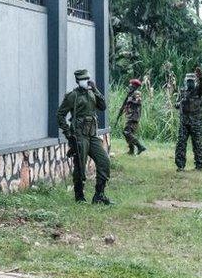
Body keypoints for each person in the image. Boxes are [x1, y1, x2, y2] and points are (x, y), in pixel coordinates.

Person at [57, 68, 112, 204]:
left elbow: (103, 106)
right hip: (79, 135)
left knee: (104, 161)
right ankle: (79, 197)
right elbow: (60, 115)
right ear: (77, 81)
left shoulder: (92, 92)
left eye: (87, 79)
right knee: (80, 167)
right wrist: (68, 133)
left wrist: (95, 90)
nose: (85, 81)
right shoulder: (72, 96)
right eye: (82, 79)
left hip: (92, 135)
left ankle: (99, 195)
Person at [175, 66, 202, 171]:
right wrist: (179, 103)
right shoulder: (182, 91)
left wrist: (201, 78)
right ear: (185, 81)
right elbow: (177, 103)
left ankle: (199, 165)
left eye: (191, 81)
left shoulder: (198, 90)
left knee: (197, 143)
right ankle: (180, 166)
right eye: (188, 81)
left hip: (196, 121)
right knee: (181, 143)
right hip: (184, 121)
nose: (189, 83)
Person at [117, 78, 146, 155]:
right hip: (130, 115)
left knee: (127, 132)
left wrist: (130, 100)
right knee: (129, 133)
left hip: (133, 117)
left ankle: (140, 146)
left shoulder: (136, 93)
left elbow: (138, 102)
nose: (129, 86)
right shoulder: (130, 93)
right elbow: (125, 105)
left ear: (135, 86)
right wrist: (121, 111)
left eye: (131, 85)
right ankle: (131, 151)